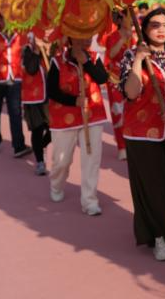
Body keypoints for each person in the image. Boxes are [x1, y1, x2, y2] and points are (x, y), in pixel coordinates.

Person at [120, 7, 165, 262]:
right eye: (155, 25)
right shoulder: (130, 55)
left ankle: (152, 221)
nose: (161, 29)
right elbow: (131, 92)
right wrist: (138, 59)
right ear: (145, 29)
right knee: (153, 187)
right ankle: (162, 236)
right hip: (141, 133)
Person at [47, 36, 109, 215]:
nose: (85, 41)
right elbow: (51, 91)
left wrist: (86, 62)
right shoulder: (58, 62)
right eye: (80, 37)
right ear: (70, 39)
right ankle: (56, 184)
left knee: (92, 158)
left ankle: (89, 200)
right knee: (62, 160)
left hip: (93, 115)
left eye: (88, 37)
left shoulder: (94, 57)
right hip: (64, 117)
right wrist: (74, 101)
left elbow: (102, 78)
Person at [0, 18, 31, 157]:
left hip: (15, 79)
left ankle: (18, 145)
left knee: (15, 113)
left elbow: (26, 55)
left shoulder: (21, 32)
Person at [104, 11, 135, 161]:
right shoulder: (112, 37)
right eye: (129, 16)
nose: (131, 19)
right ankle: (121, 146)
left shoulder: (134, 36)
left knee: (132, 109)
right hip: (115, 78)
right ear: (121, 19)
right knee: (117, 111)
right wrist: (123, 39)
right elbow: (111, 54)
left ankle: (131, 142)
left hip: (131, 77)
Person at [21, 34, 53, 175]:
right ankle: (39, 161)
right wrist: (36, 51)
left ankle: (42, 145)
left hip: (49, 96)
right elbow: (31, 68)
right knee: (37, 130)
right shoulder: (26, 50)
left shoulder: (51, 48)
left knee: (53, 129)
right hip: (33, 98)